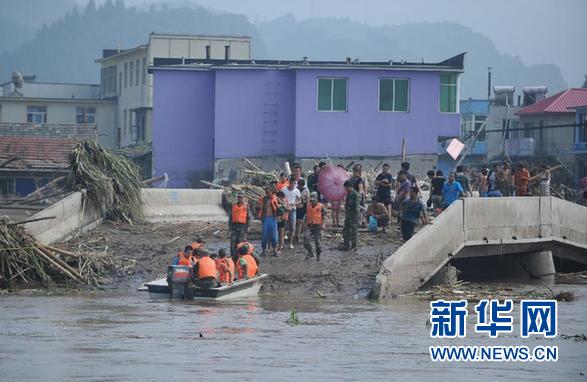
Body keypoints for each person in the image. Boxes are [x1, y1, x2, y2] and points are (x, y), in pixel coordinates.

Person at [303, 192, 326, 261]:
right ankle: (310, 253)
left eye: (313, 200)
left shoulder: (321, 206)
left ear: (316, 199)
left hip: (317, 226)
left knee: (317, 243)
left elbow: (324, 215)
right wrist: (304, 223)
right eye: (311, 200)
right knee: (305, 239)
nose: (312, 202)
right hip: (309, 225)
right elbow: (306, 215)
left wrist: (324, 224)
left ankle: (318, 255)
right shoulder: (308, 206)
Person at [257, 187, 279, 256]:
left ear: (272, 192)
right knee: (264, 235)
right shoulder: (263, 199)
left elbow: (279, 207)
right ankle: (264, 250)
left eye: (269, 192)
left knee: (274, 235)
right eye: (266, 192)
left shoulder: (275, 198)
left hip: (273, 218)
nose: (267, 194)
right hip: (265, 218)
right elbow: (259, 208)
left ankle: (275, 251)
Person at [229, 193, 250, 257]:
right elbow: (230, 217)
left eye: (241, 197)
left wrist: (248, 226)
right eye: (238, 197)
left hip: (243, 226)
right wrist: (229, 227)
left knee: (241, 242)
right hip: (234, 226)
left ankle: (241, 256)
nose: (239, 198)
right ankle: (233, 256)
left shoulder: (246, 207)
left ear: (243, 198)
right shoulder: (233, 206)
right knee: (233, 242)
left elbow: (249, 217)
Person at [340, 180, 360, 250]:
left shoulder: (353, 194)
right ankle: (349, 245)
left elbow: (352, 206)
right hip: (351, 215)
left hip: (352, 216)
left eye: (345, 188)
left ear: (348, 187)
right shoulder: (351, 193)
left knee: (352, 231)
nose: (345, 189)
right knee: (348, 230)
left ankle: (351, 245)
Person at [282, 178, 301, 249]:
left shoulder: (296, 190)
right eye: (291, 183)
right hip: (285, 209)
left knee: (292, 227)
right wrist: (284, 204)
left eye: (294, 184)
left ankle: (290, 243)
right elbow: (280, 198)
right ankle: (282, 243)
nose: (292, 185)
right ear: (289, 183)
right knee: (284, 226)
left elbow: (299, 200)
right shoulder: (284, 189)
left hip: (293, 209)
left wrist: (294, 203)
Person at [295, 178, 310, 243]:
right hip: (295, 206)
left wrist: (307, 209)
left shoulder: (306, 190)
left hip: (302, 207)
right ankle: (294, 234)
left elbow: (307, 200)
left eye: (301, 185)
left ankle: (297, 235)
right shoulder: (295, 189)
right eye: (299, 185)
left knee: (300, 221)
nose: (300, 186)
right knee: (295, 221)